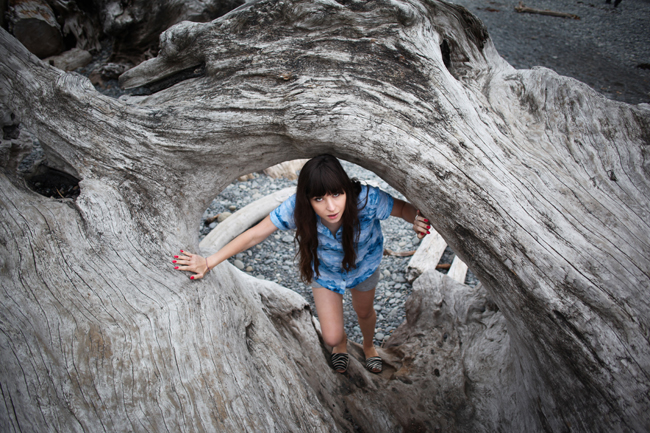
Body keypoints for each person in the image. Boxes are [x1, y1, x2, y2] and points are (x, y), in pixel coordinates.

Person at [173, 155, 430, 374]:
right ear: (307, 199)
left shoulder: (365, 199)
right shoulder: (297, 208)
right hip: (326, 273)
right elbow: (255, 233)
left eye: (337, 194)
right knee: (330, 337)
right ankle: (341, 345)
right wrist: (208, 262)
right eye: (319, 199)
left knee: (364, 312)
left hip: (364, 266)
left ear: (346, 190)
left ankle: (369, 346)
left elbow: (403, 209)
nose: (330, 207)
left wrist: (415, 219)